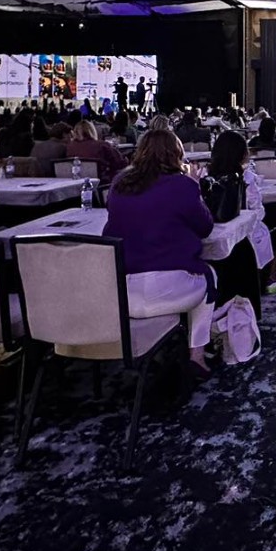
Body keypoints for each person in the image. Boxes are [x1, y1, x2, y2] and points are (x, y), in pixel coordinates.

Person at [104, 131, 215, 379]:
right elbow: (205, 226)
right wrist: (196, 188)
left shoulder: (119, 184)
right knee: (210, 276)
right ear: (176, 154)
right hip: (166, 290)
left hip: (121, 291)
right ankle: (196, 355)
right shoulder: (182, 185)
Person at [65, 119, 129, 184]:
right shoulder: (102, 145)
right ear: (92, 131)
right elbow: (120, 162)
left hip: (76, 181)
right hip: (101, 182)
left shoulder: (70, 147)